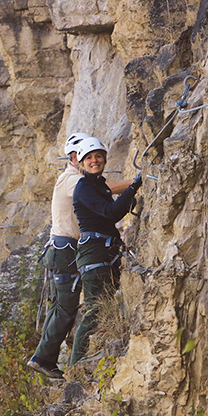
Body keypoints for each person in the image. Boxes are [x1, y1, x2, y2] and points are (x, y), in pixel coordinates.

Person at [27, 133, 132, 379]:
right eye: (80, 155)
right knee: (65, 307)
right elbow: (103, 193)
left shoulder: (75, 178)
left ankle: (45, 357)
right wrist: (133, 183)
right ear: (74, 158)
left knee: (64, 306)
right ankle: (46, 359)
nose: (85, 159)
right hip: (66, 250)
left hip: (65, 249)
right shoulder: (72, 180)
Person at [69, 137, 142, 365]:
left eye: (98, 156)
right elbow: (110, 213)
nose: (94, 161)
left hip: (104, 251)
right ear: (81, 163)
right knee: (93, 311)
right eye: (89, 158)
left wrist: (132, 189)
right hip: (94, 253)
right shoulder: (84, 188)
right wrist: (133, 187)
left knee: (107, 303)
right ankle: (75, 367)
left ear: (104, 158)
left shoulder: (98, 185)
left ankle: (95, 357)